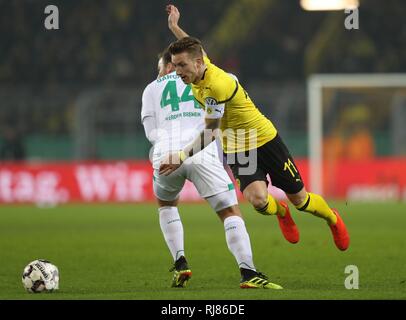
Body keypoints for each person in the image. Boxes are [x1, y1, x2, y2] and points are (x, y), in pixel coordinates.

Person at [160, 4, 350, 251]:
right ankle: (281, 211)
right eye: (175, 65)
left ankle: (332, 218)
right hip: (238, 145)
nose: (177, 72)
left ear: (197, 63)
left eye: (182, 66)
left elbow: (209, 132)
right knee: (259, 201)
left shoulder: (218, 85)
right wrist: (175, 27)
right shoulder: (198, 66)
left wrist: (181, 156)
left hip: (264, 138)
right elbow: (191, 45)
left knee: (301, 201)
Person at [141, 49, 282, 289]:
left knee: (166, 205)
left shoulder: (151, 89)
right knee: (229, 212)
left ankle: (180, 261)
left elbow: (149, 132)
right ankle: (248, 272)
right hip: (199, 150)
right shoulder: (201, 77)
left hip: (166, 154)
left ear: (168, 67)